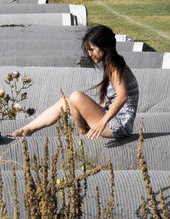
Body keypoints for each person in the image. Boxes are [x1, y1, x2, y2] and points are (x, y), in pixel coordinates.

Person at [10, 25, 139, 140]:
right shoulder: (111, 65)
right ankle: (26, 130)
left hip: (118, 125)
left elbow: (122, 97)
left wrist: (101, 122)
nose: (89, 54)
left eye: (92, 49)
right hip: (112, 121)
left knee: (75, 96)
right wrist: (94, 111)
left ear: (104, 47)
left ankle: (82, 132)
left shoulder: (115, 66)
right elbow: (111, 99)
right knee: (66, 101)